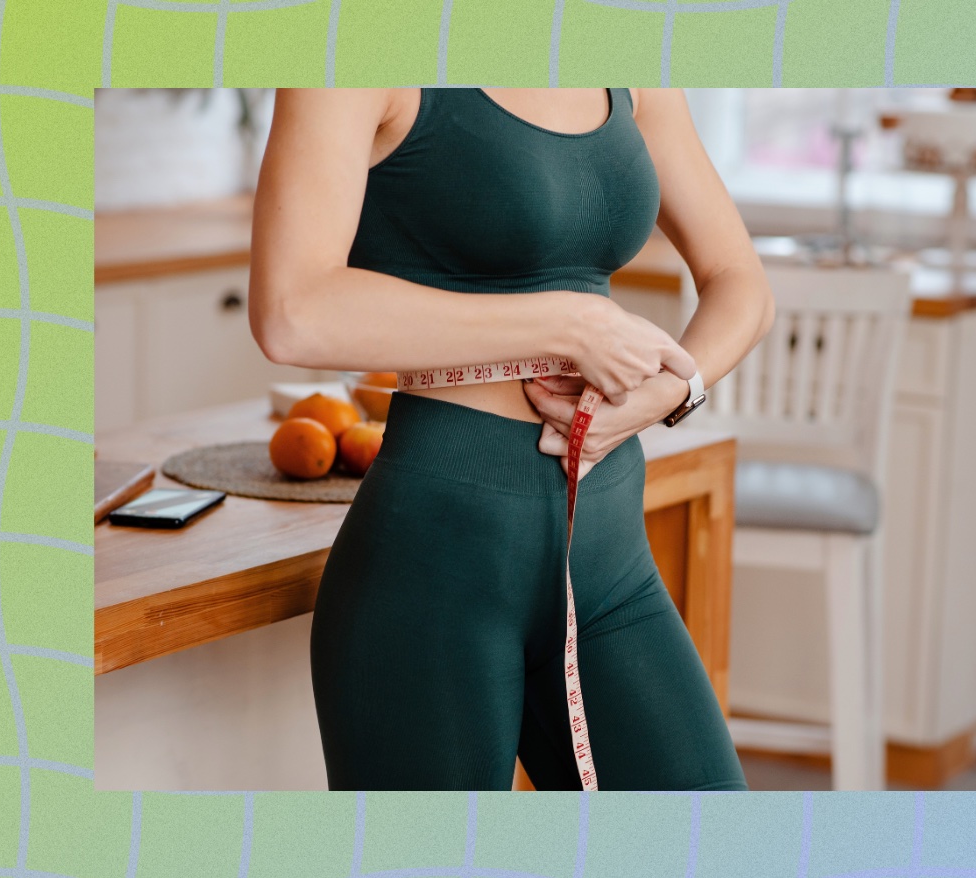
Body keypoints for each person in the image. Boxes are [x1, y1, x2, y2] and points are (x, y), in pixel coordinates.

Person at [248, 87, 774, 791]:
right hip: (434, 576)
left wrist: (672, 391)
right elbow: (291, 311)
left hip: (609, 564)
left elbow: (741, 281)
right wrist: (564, 325)